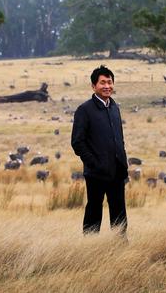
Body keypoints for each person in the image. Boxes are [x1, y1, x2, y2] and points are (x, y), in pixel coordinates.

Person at [71, 65, 128, 236]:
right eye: (102, 82)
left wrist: (123, 164)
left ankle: (121, 248)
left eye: (109, 82)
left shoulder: (115, 108)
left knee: (119, 213)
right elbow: (77, 143)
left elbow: (120, 139)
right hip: (96, 172)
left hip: (117, 171)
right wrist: (94, 164)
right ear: (93, 86)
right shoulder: (84, 110)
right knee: (94, 210)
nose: (107, 86)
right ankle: (90, 248)